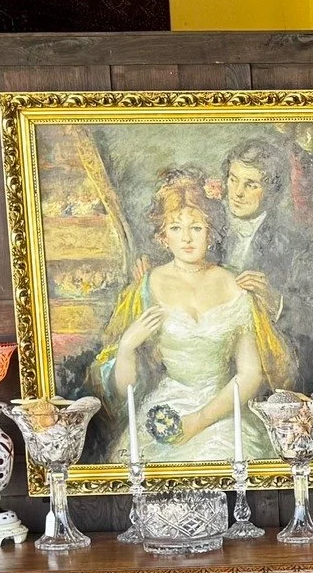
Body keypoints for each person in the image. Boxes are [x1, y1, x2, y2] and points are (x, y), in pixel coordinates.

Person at [91, 167, 277, 462]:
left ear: (210, 232)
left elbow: (250, 374)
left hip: (223, 408)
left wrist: (199, 420)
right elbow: (124, 391)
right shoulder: (147, 287)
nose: (187, 238)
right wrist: (127, 346)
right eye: (176, 228)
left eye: (197, 228)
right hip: (168, 406)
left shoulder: (234, 285)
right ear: (163, 237)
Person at [221, 137, 313, 393]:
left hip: (269, 377)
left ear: (272, 191)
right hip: (216, 366)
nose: (237, 192)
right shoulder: (209, 230)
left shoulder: (297, 245)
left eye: (251, 184)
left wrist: (276, 302)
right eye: (233, 179)